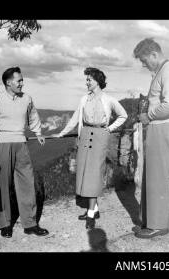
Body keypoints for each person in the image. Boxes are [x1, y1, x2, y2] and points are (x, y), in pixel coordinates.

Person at [52, 67, 127, 229]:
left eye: (89, 80)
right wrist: (62, 133)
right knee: (85, 173)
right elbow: (74, 119)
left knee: (94, 174)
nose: (86, 82)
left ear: (98, 81)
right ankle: (94, 208)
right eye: (86, 79)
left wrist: (109, 129)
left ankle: (91, 214)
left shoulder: (109, 99)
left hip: (100, 136)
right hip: (85, 135)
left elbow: (123, 115)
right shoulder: (84, 99)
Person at [0, 66, 49, 238]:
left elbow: (33, 117)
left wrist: (38, 133)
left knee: (27, 183)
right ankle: (5, 224)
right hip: (2, 145)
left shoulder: (27, 98)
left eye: (22, 80)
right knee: (3, 185)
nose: (22, 83)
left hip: (21, 143)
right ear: (8, 82)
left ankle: (30, 224)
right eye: (19, 80)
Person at [132, 38, 169, 238]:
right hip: (156, 128)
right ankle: (149, 221)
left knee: (158, 179)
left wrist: (148, 116)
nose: (143, 65)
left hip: (163, 128)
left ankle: (159, 225)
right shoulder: (160, 72)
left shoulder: (168, 71)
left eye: (144, 60)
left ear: (154, 54)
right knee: (150, 177)